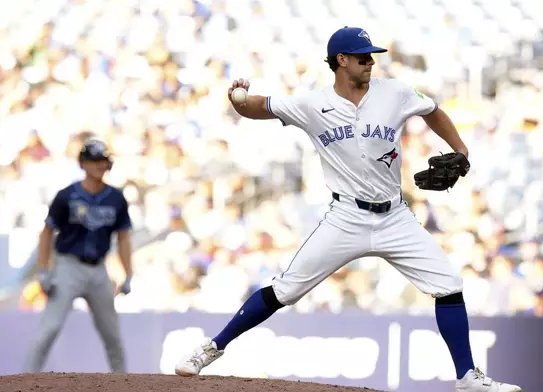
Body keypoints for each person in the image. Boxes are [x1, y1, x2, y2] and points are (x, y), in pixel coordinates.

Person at [174, 26, 522, 391]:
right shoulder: (313, 104)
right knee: (285, 290)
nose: (370, 62)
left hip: (395, 217)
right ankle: (213, 347)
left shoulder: (397, 92)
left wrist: (461, 150)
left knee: (448, 284)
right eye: (362, 56)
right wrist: (238, 103)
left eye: (371, 56)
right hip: (346, 218)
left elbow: (433, 111)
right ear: (341, 61)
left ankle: (467, 378)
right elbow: (259, 107)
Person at [24, 138, 133, 373]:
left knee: (112, 334)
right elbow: (47, 232)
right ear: (82, 164)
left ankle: (124, 383)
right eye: (93, 160)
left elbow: (123, 237)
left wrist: (128, 273)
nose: (98, 165)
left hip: (98, 269)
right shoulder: (67, 196)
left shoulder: (116, 198)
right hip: (68, 266)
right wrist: (44, 269)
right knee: (49, 329)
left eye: (102, 160)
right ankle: (25, 380)